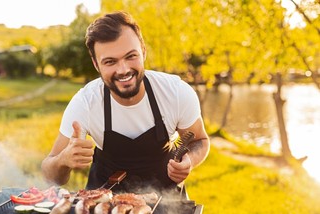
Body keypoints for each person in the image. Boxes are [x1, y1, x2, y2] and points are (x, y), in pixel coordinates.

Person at [41, 11, 210, 193]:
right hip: (102, 204)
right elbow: (51, 175)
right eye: (110, 61)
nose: (123, 70)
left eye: (131, 56)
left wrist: (189, 161)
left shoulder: (175, 93)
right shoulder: (85, 103)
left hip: (165, 203)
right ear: (96, 64)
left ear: (143, 52)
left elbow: (199, 140)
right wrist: (63, 160)